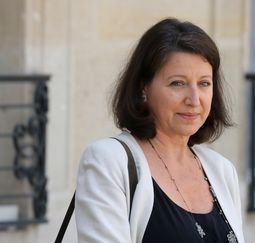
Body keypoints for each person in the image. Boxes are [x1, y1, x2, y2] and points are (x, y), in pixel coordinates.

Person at [75, 18, 244, 243]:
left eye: (204, 83)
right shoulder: (107, 161)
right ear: (144, 87)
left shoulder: (222, 170)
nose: (194, 99)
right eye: (177, 83)